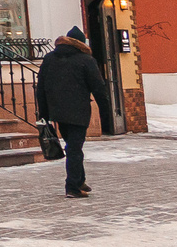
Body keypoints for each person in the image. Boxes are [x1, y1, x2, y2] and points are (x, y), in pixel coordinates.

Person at [36, 25, 117, 199]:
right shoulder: (86, 60)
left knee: (72, 146)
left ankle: (79, 180)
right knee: (74, 148)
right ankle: (72, 186)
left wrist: (43, 114)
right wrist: (106, 112)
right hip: (78, 111)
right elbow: (98, 88)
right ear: (81, 43)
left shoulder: (50, 58)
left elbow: (40, 88)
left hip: (57, 111)